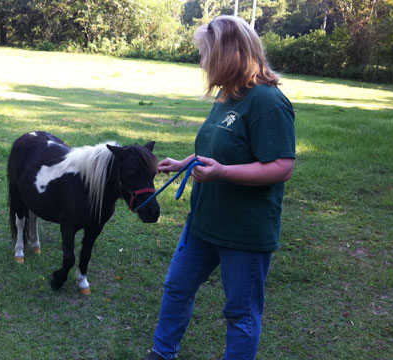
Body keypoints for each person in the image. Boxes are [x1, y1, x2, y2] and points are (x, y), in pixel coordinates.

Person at [145, 15, 296, 360]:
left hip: (243, 231)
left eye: (205, 54)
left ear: (227, 54)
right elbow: (216, 147)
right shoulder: (227, 96)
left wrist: (223, 172)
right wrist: (186, 162)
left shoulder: (268, 103)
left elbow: (282, 166)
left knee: (240, 314)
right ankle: (162, 353)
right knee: (177, 287)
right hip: (204, 221)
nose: (201, 62)